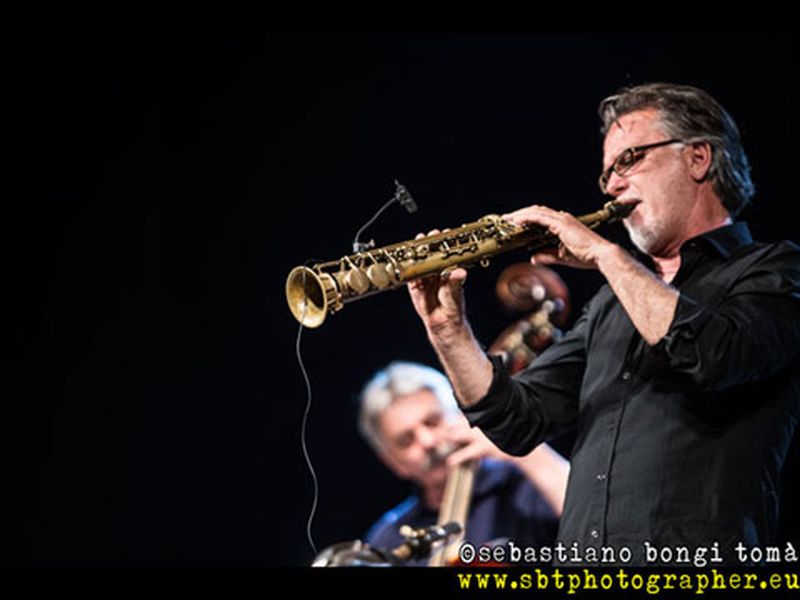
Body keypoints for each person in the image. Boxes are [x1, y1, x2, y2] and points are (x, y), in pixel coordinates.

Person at [406, 82, 800, 566]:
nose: (612, 185)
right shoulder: (612, 306)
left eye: (629, 159)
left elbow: (714, 354)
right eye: (607, 172)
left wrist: (604, 254)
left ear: (698, 158)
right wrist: (448, 331)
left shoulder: (776, 270)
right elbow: (515, 420)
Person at [359, 361, 569, 565]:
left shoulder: (522, 481)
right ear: (392, 462)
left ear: (461, 414)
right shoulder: (388, 540)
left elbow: (586, 516)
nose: (428, 442)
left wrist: (522, 449)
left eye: (433, 421)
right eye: (406, 440)